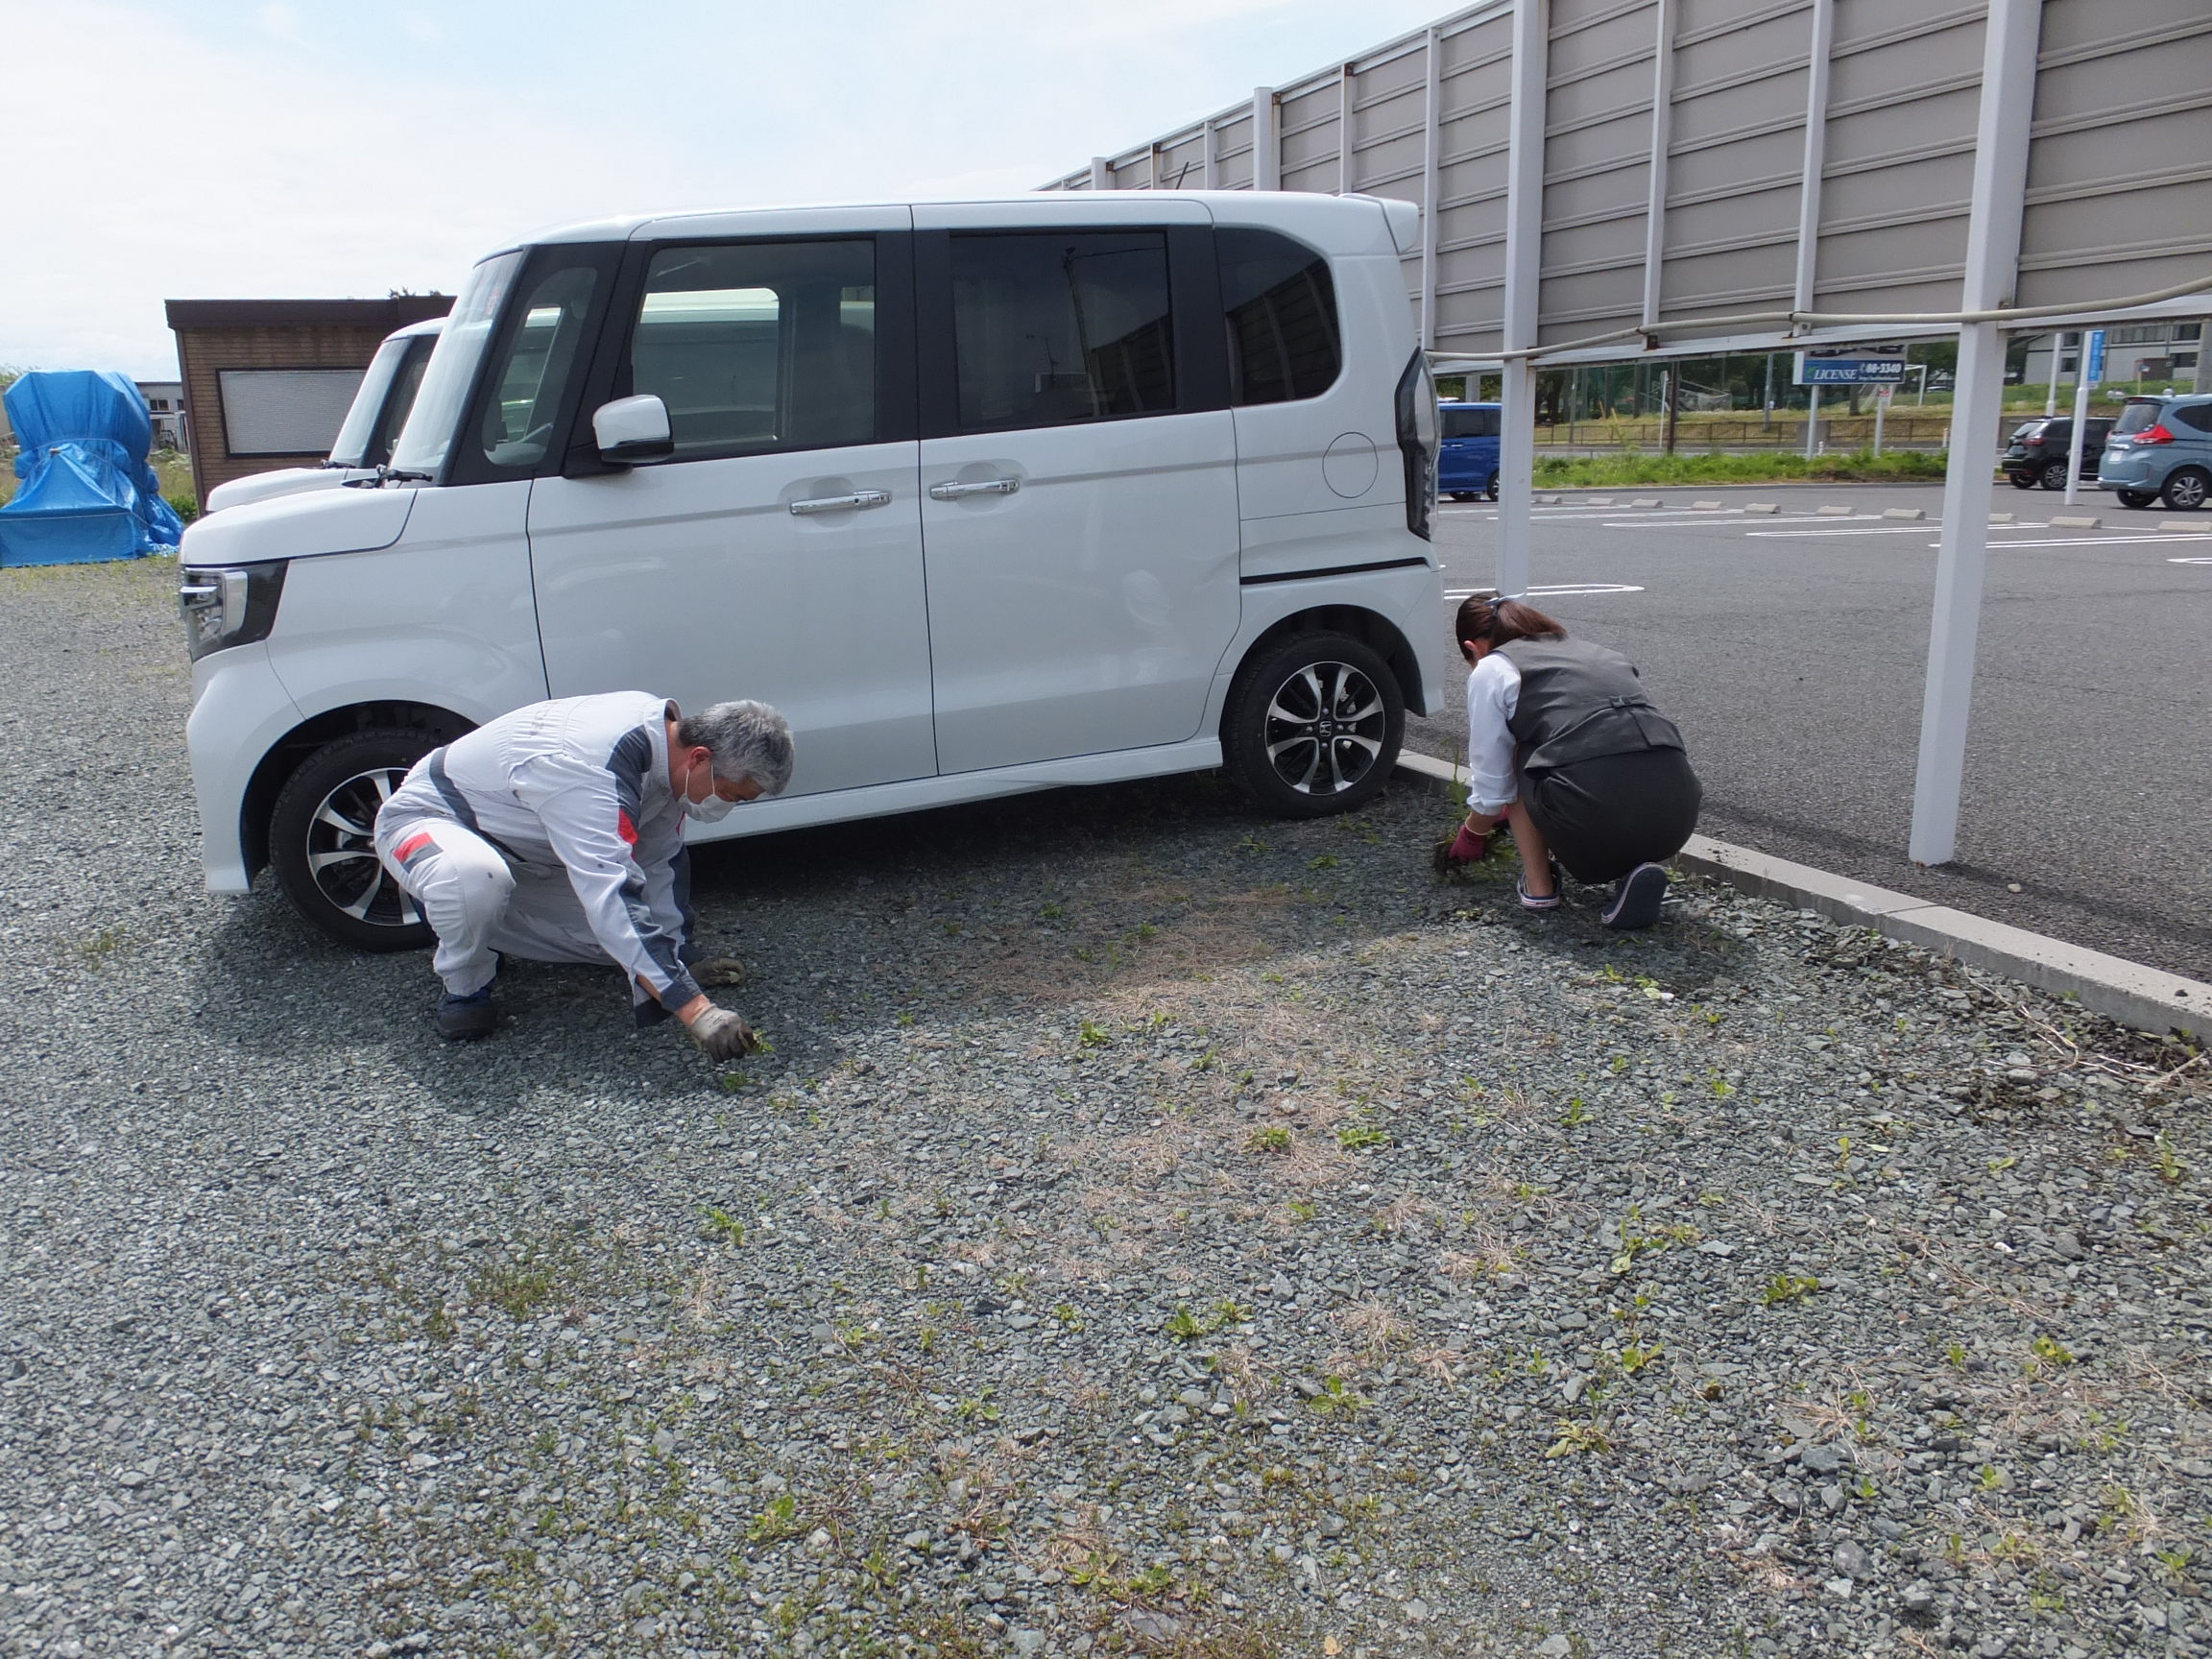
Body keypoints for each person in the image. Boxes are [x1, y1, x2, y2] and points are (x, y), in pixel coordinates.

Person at [373, 693, 794, 1051]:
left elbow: (658, 861)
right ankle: (465, 983)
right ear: (700, 758)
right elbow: (611, 891)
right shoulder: (587, 766)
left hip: (526, 853)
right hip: (432, 822)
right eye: (731, 794)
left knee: (627, 948)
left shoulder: (667, 756)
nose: (726, 805)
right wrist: (698, 1011)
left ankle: (479, 923)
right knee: (474, 882)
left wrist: (678, 956)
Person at [1434, 593, 1700, 929]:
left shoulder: (1492, 668)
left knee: (1519, 753)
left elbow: (1494, 784)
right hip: (1678, 815)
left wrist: (1473, 834)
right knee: (1618, 759)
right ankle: (1637, 871)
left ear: (1473, 648)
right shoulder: (1600, 653)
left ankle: (1540, 889)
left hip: (1593, 813)